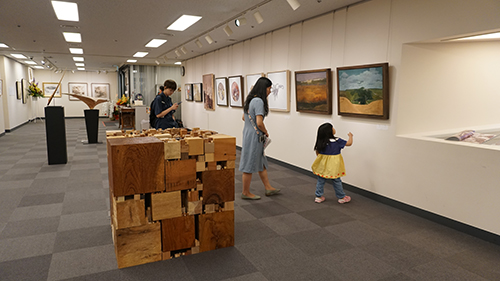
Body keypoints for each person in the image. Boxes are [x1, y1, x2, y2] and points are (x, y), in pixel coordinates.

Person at [239, 77, 280, 200]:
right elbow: (259, 122)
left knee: (261, 161)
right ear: (264, 88)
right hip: (255, 135)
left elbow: (243, 117)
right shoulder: (258, 101)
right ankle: (245, 192)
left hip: (248, 133)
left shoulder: (251, 99)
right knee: (249, 163)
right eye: (269, 88)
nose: (270, 91)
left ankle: (268, 187)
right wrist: (266, 132)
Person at [311, 123, 353, 204]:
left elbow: (318, 153)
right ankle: (341, 197)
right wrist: (350, 136)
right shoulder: (337, 141)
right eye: (332, 127)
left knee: (321, 180)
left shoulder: (321, 142)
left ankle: (318, 197)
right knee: (336, 180)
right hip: (334, 166)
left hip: (323, 166)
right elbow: (349, 143)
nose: (334, 129)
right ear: (329, 131)